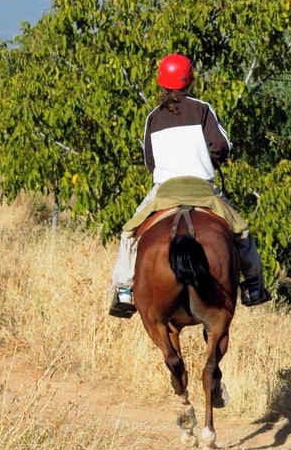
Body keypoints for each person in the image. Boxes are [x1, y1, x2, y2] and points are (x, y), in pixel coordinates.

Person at [109, 53, 269, 316]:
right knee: (241, 230)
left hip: (165, 191)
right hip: (202, 189)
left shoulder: (153, 117)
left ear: (161, 82)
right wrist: (214, 160)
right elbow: (221, 145)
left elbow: (150, 160)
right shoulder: (203, 108)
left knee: (129, 233)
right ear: (190, 80)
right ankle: (253, 284)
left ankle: (124, 291)